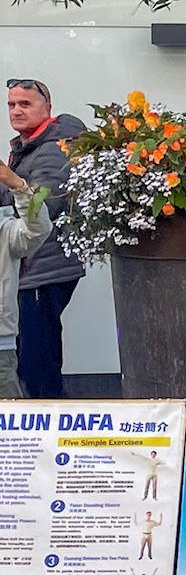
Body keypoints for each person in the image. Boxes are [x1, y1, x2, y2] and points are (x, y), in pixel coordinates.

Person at [4, 79, 85, 398]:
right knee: (33, 352)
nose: (16, 111)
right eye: (11, 104)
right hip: (35, 265)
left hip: (41, 267)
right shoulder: (29, 146)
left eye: (25, 104)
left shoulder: (52, 149)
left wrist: (11, 187)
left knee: (37, 358)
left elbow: (44, 204)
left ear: (47, 108)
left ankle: (47, 425)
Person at [0, 156, 51, 397]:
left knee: (11, 431)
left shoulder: (5, 230)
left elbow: (38, 229)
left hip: (0, 349)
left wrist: (20, 187)